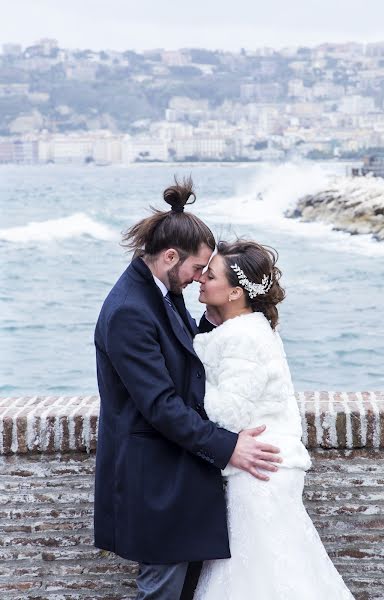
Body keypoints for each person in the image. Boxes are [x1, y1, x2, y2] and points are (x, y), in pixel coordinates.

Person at [93, 178, 282, 600]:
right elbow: (160, 405)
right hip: (154, 482)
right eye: (198, 268)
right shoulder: (129, 311)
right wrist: (228, 446)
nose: (200, 279)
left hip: (178, 477)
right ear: (171, 256)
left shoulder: (163, 290)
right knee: (160, 592)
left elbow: (186, 353)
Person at [193, 239, 355, 600]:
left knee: (263, 577)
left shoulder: (242, 337)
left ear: (235, 292)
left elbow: (227, 411)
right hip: (267, 464)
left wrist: (183, 393)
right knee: (281, 567)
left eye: (211, 274)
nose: (201, 278)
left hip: (260, 469)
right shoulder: (253, 327)